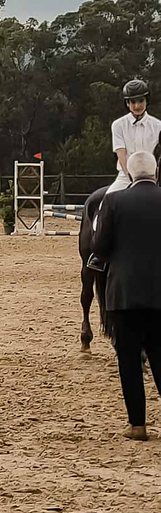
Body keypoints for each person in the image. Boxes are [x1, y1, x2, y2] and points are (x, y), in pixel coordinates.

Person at [91, 150, 161, 441]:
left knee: (129, 359)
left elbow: (100, 246)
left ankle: (137, 424)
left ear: (130, 175)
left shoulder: (114, 200)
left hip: (125, 294)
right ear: (155, 173)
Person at [88, 79, 161, 271]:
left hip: (154, 177)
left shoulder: (158, 125)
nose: (137, 106)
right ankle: (99, 255)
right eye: (133, 102)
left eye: (140, 101)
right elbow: (121, 155)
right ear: (127, 104)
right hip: (125, 176)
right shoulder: (118, 125)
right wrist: (132, 179)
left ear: (146, 101)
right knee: (103, 207)